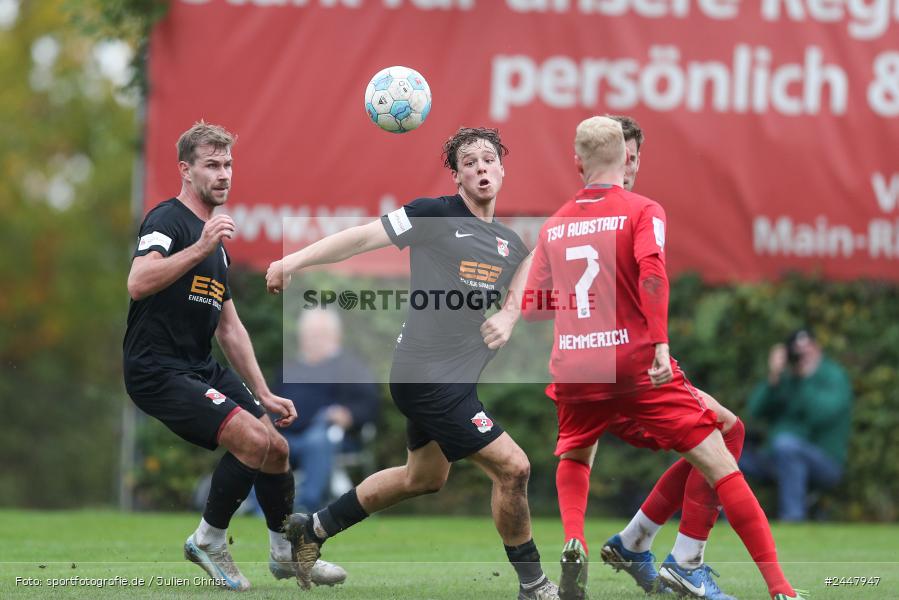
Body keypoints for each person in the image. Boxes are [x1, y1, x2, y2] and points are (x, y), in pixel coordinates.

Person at [266, 127, 559, 599]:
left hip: (453, 381)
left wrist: (509, 313)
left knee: (421, 478)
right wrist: (292, 261)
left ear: (502, 170)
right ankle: (534, 585)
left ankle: (311, 530)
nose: (481, 168)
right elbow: (362, 238)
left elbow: (527, 264)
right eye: (469, 163)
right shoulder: (433, 214)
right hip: (426, 378)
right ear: (458, 177)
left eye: (488, 160)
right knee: (514, 468)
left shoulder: (507, 242)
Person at [520, 116, 805, 600]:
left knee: (576, 453)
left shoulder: (554, 225)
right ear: (625, 158)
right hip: (635, 366)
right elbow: (653, 273)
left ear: (577, 163)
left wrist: (577, 304)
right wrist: (659, 343)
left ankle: (584, 539)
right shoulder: (642, 209)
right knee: (722, 455)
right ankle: (774, 586)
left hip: (576, 369)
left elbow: (531, 309)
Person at [122, 120, 345, 591]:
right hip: (156, 368)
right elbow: (138, 282)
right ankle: (207, 540)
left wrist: (263, 392)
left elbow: (229, 327)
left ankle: (285, 555)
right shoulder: (168, 221)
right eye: (211, 165)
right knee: (251, 441)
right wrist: (199, 247)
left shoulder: (216, 247)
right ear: (186, 170)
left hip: (199, 365)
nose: (223, 174)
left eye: (227, 165)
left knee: (276, 448)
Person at [593, 115, 744, 599]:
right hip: (621, 373)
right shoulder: (624, 214)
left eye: (635, 155)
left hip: (609, 367)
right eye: (622, 154)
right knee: (724, 433)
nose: (630, 164)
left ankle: (636, 541)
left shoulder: (598, 212)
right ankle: (683, 560)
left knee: (723, 432)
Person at [740, 328, 852, 521]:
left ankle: (793, 519)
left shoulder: (834, 376)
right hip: (775, 457)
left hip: (824, 461)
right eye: (798, 351)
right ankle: (727, 521)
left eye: (807, 349)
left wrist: (805, 379)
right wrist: (774, 376)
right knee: (725, 453)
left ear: (818, 348)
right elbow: (754, 411)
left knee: (786, 445)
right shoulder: (786, 378)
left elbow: (820, 415)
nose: (803, 356)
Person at [277, 308, 380, 512]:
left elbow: (369, 405)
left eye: (319, 334)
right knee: (264, 441)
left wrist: (347, 415)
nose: (313, 340)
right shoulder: (288, 368)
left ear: (336, 336)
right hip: (288, 434)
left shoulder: (351, 368)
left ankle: (306, 506)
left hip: (331, 436)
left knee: (317, 441)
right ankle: (260, 507)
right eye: (309, 334)